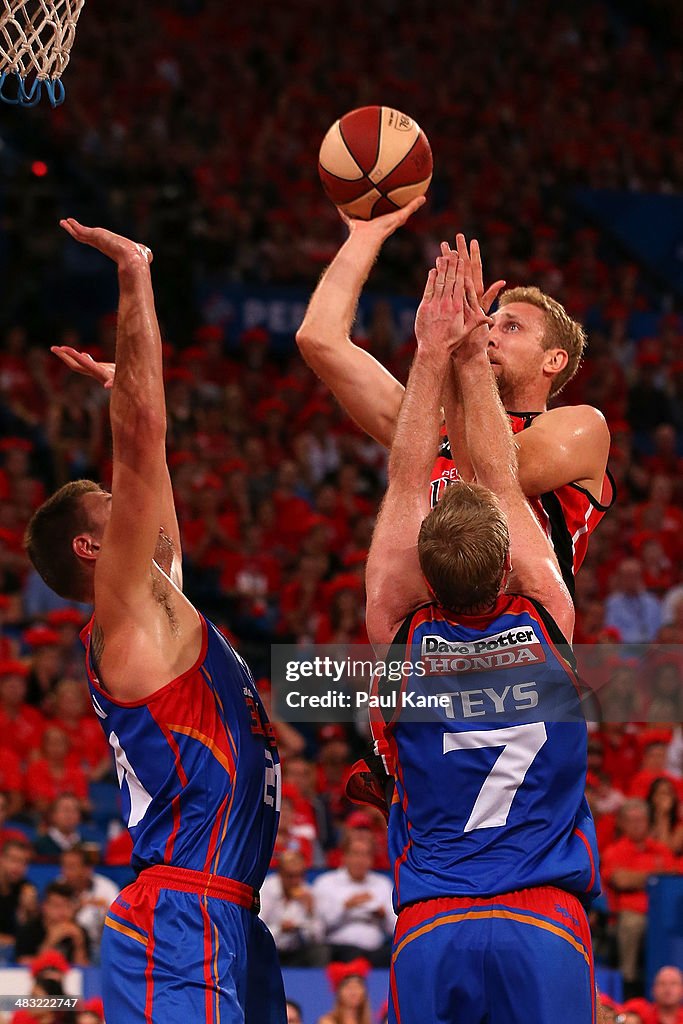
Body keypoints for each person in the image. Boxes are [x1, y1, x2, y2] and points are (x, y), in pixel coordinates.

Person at [24, 221, 285, 1023]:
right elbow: (142, 436)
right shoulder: (128, 621)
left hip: (226, 910)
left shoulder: (162, 602)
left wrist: (123, 389)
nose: (132, 504)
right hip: (181, 911)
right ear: (90, 545)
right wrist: (136, 271)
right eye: (115, 506)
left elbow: (153, 471)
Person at [361, 246, 599, 1023]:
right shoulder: (545, 618)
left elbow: (404, 481)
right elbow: (496, 480)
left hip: (431, 921)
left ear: (419, 573)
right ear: (509, 562)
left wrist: (434, 351)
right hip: (541, 919)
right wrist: (466, 360)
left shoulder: (399, 635)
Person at [296, 204, 614, 599]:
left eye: (510, 326)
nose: (488, 331)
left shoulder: (583, 427)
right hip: (426, 640)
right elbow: (320, 339)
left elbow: (495, 478)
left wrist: (463, 355)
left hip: (518, 643)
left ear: (554, 360)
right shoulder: (433, 426)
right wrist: (365, 237)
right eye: (489, 321)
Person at [601, 800, 677, 999]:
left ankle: (673, 981)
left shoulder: (661, 850)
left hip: (662, 915)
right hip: (628, 914)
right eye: (631, 820)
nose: (637, 825)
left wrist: (637, 877)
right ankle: (628, 983)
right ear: (622, 824)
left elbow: (674, 877)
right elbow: (620, 880)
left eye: (641, 820)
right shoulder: (614, 851)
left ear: (648, 822)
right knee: (632, 923)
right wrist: (655, 876)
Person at [312, 834, 394, 967]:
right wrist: (346, 906)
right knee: (351, 954)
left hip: (376, 951)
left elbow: (394, 928)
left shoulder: (383, 884)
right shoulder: (326, 882)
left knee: (398, 955)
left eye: (366, 855)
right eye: (355, 854)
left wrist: (383, 915)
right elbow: (320, 926)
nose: (360, 860)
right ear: (344, 856)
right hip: (339, 949)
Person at [260, 849, 326, 966]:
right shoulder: (266, 890)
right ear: (280, 873)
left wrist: (310, 910)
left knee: (320, 951)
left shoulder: (307, 892)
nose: (296, 881)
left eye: (300, 875)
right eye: (291, 876)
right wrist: (280, 929)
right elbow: (257, 931)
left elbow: (318, 937)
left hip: (295, 949)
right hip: (269, 949)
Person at [58, 845, 120, 962]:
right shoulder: (58, 887)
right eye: (64, 866)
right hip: (66, 947)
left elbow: (117, 924)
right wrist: (76, 909)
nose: (65, 872)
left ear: (87, 869)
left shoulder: (106, 888)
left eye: (71, 867)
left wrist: (105, 910)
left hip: (100, 948)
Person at [14, 881, 91, 966]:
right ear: (44, 906)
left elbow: (84, 970)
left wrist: (79, 945)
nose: (63, 912)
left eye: (68, 906)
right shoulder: (28, 930)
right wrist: (50, 942)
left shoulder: (80, 931)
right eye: (57, 906)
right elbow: (22, 965)